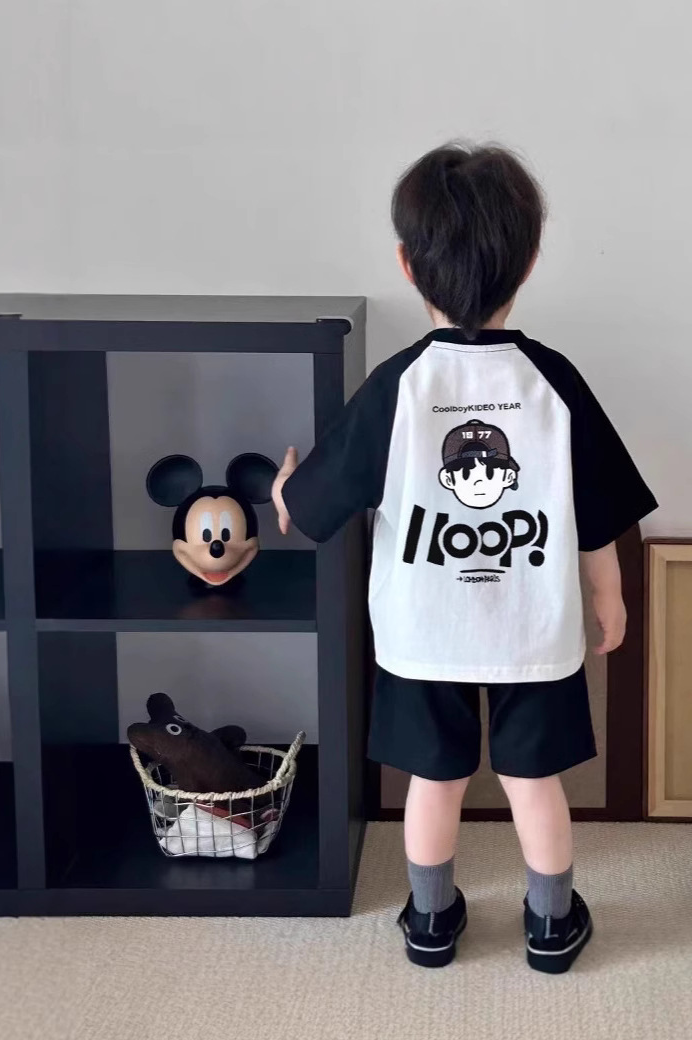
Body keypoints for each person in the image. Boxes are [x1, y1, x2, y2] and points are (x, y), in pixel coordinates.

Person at [272, 142, 657, 973]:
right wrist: (610, 594)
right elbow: (596, 514)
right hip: (534, 628)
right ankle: (551, 926)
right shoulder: (554, 382)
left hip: (424, 635)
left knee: (434, 781)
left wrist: (284, 487)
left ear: (408, 267)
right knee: (534, 781)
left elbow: (307, 513)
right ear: (531, 259)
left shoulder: (399, 385)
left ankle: (431, 919)